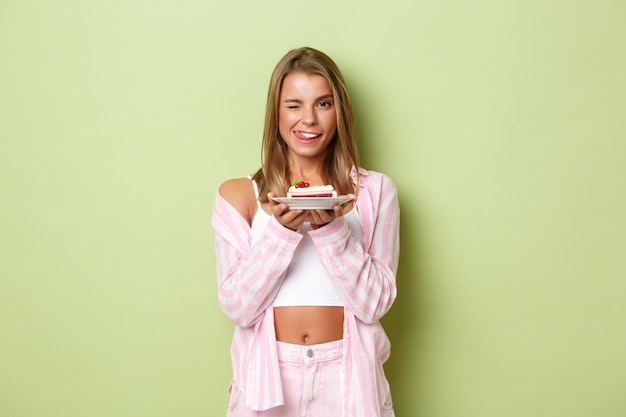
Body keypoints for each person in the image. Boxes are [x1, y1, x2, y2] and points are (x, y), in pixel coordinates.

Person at [211, 46, 400, 417]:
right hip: (269, 377)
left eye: (323, 104)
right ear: (276, 113)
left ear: (339, 111)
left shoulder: (376, 192)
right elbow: (238, 307)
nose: (308, 120)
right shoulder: (239, 195)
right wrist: (281, 231)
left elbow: (374, 304)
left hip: (349, 377)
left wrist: (331, 229)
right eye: (294, 105)